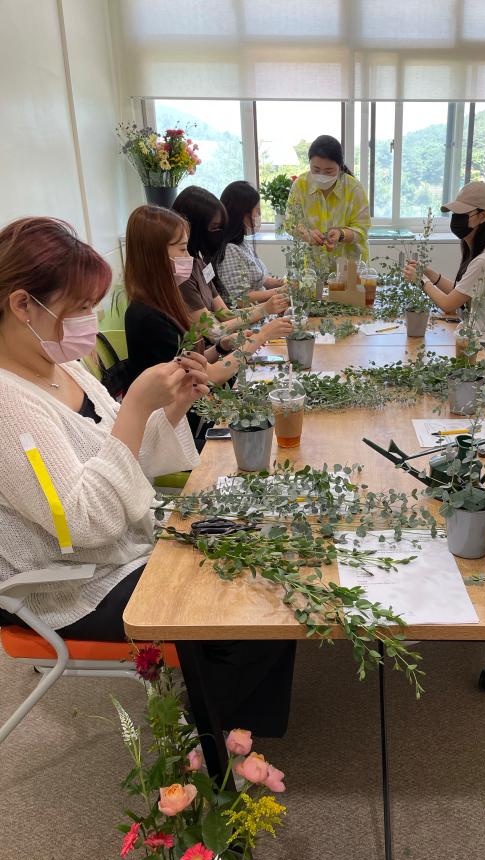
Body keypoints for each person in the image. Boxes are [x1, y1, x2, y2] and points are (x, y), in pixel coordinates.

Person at [0, 216, 296, 737]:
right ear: (23, 305)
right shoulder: (9, 406)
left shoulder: (63, 367)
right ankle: (213, 739)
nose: (90, 321)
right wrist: (137, 406)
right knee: (249, 598)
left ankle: (235, 718)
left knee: (269, 552)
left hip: (127, 543)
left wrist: (173, 406)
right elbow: (83, 522)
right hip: (72, 583)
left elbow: (127, 456)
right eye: (79, 308)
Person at [123, 205, 292, 444]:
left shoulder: (166, 302)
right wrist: (261, 336)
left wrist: (221, 347)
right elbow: (209, 376)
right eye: (182, 249)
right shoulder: (148, 317)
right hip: (180, 433)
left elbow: (190, 363)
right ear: (155, 254)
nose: (189, 257)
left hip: (194, 416)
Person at [403, 181, 485, 347]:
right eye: (455, 213)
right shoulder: (479, 253)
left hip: (483, 347)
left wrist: (421, 280)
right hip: (471, 340)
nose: (456, 218)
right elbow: (457, 293)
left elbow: (448, 304)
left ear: (483, 216)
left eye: (463, 213)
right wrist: (429, 273)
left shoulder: (484, 260)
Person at [173, 185, 289, 329]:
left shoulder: (199, 263)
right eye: (214, 227)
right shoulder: (182, 273)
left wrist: (268, 307)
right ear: (195, 228)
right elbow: (212, 330)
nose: (219, 233)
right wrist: (264, 310)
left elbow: (225, 314)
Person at [286, 134, 371, 263]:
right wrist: (307, 234)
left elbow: (362, 229)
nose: (322, 175)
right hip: (314, 264)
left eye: (329, 171)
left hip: (349, 264)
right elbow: (290, 222)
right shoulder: (300, 185)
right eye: (316, 169)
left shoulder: (354, 188)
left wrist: (341, 234)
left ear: (340, 167)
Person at [214, 181, 287, 307]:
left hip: (261, 309)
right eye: (257, 211)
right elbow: (240, 298)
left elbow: (261, 279)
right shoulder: (229, 250)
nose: (259, 216)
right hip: (247, 313)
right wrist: (280, 291)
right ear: (242, 214)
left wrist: (283, 283)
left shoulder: (242, 243)